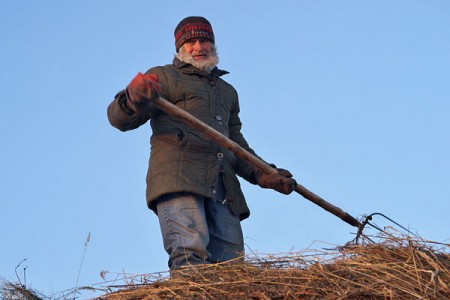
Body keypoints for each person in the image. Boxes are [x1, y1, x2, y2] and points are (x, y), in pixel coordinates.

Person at [107, 16, 296, 271]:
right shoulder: (162, 76)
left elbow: (235, 143)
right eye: (191, 41)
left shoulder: (227, 91)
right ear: (180, 48)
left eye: (204, 40)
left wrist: (264, 172)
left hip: (223, 186)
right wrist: (132, 98)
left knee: (231, 269)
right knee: (189, 257)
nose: (199, 47)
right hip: (181, 178)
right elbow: (119, 119)